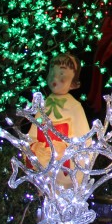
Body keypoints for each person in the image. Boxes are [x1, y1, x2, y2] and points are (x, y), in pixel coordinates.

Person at [28, 53, 91, 188]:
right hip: (45, 171)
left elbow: (85, 141)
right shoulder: (43, 106)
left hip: (65, 173)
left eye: (62, 74)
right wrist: (35, 147)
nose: (55, 78)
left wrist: (67, 150)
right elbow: (32, 135)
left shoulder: (74, 107)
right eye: (52, 72)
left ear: (73, 81)